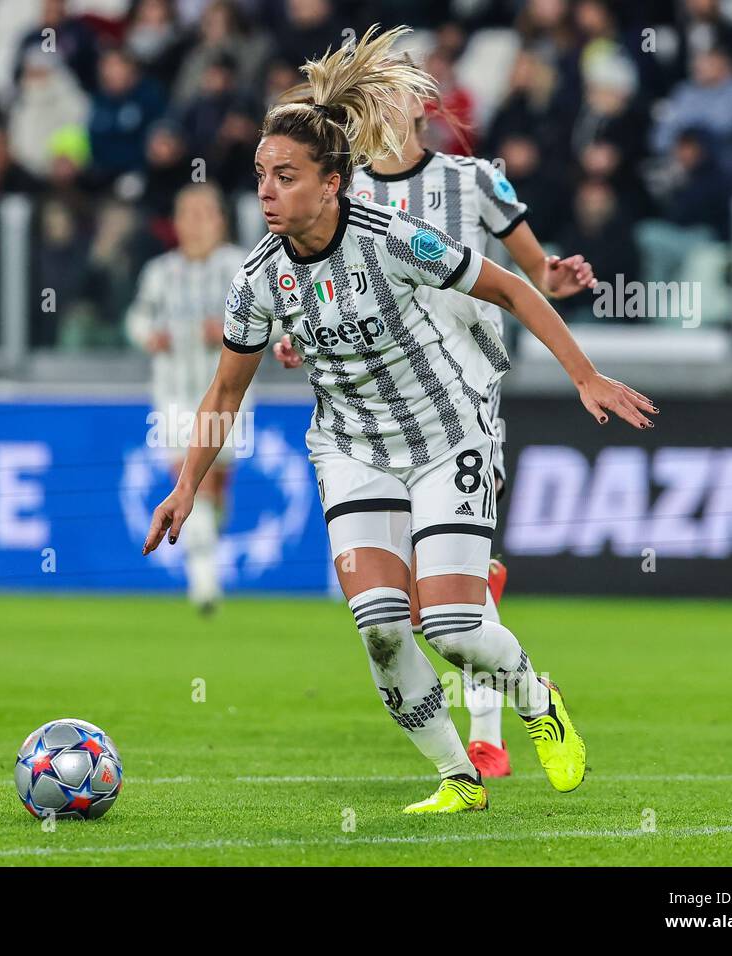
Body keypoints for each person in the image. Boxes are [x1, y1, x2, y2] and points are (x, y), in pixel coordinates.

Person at [143, 26, 656, 814]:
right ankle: (458, 777)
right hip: (352, 449)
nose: (267, 192)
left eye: (285, 176)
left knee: (450, 624)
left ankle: (533, 697)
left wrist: (584, 375)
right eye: (260, 176)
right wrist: (185, 487)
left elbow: (515, 290)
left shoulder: (393, 238)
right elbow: (222, 395)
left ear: (333, 183)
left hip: (449, 430)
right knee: (381, 629)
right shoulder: (257, 280)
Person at [272, 59, 599, 777]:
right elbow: (313, 279)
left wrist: (560, 279)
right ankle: (491, 727)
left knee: (444, 598)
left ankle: (488, 729)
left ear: (422, 103)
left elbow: (528, 272)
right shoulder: (339, 187)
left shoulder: (473, 179)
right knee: (418, 605)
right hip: (378, 405)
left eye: (396, 87)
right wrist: (296, 330)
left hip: (469, 391)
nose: (383, 100)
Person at [127, 183, 247, 614]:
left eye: (204, 214)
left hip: (227, 394)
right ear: (175, 223)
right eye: (187, 215)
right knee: (190, 477)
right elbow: (137, 317)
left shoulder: (240, 267)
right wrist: (148, 335)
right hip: (174, 393)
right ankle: (204, 580)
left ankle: (206, 543)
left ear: (220, 220)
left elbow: (270, 319)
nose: (195, 224)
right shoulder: (159, 272)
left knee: (217, 483)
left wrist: (230, 334)